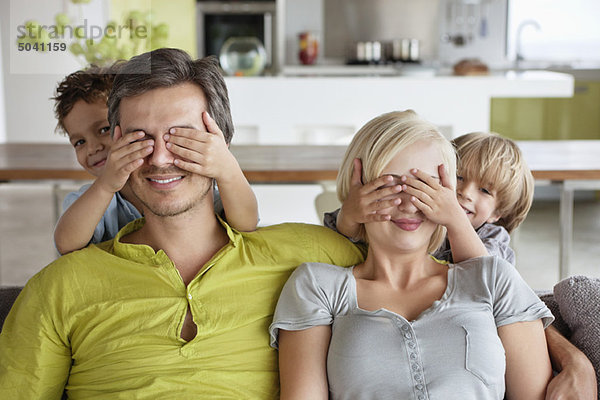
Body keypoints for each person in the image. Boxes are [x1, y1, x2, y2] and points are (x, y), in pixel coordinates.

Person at [0, 49, 366, 398]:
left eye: (182, 137)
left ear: (219, 144)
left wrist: (361, 213)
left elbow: (409, 274)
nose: (159, 158)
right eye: (139, 139)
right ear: (118, 143)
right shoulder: (57, 288)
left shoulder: (307, 255)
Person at [270, 110, 555, 399]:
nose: (408, 205)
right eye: (389, 186)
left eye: (426, 188)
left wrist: (575, 362)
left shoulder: (494, 277)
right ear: (357, 191)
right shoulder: (316, 286)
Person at [52, 63, 258, 255]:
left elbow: (246, 223)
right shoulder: (93, 199)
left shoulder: (201, 194)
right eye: (79, 142)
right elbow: (66, 244)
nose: (93, 148)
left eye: (104, 129)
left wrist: (227, 169)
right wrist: (106, 185)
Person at [324, 131, 534, 265]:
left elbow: (488, 276)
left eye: (485, 191)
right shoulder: (416, 214)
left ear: (497, 213)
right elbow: (348, 240)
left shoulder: (493, 237)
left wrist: (455, 220)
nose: (465, 193)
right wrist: (350, 216)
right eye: (459, 178)